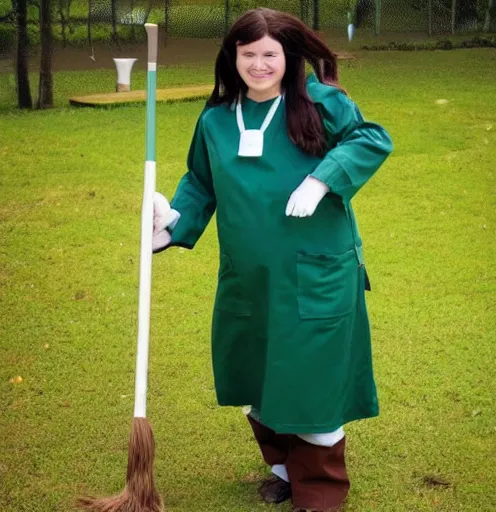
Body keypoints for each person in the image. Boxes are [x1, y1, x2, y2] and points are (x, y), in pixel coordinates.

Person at [153, 8, 393, 512]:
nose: (259, 64)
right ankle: (284, 470)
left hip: (317, 274)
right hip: (248, 278)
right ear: (232, 58)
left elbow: (371, 139)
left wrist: (322, 178)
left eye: (270, 54)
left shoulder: (321, 103)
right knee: (255, 379)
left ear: (288, 56)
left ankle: (319, 494)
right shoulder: (216, 119)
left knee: (311, 385)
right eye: (248, 54)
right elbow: (200, 181)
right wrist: (171, 222)